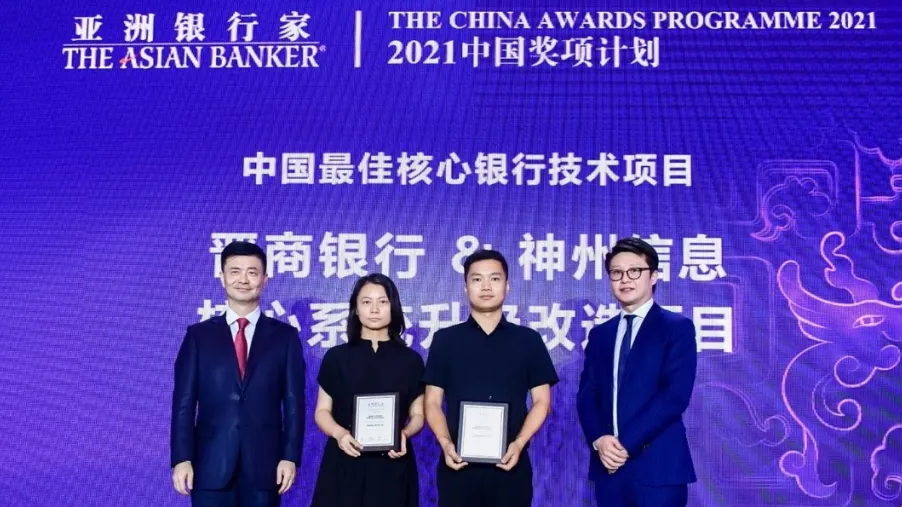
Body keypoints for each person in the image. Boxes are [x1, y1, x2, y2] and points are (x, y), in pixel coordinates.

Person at [170, 241, 305, 507]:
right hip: (209, 464)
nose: (243, 279)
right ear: (222, 278)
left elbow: (294, 404)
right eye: (235, 271)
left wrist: (290, 457)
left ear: (264, 279)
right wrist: (181, 458)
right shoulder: (198, 336)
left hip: (265, 466)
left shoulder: (285, 337)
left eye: (252, 272)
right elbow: (183, 403)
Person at [423, 249, 559, 507]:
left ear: (507, 286)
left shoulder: (528, 340)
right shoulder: (445, 340)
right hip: (457, 466)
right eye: (477, 279)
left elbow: (542, 402)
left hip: (511, 465)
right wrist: (445, 443)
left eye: (494, 278)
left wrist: (519, 443)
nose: (486, 286)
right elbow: (431, 401)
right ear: (465, 287)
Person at [576, 237, 697, 507]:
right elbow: (587, 395)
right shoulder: (601, 334)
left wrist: (623, 445)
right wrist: (599, 440)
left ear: (653, 276)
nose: (625, 279)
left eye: (634, 271)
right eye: (616, 273)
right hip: (609, 469)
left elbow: (674, 396)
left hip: (658, 468)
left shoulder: (676, 328)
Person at [310, 273, 425, 507]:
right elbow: (322, 411)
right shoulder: (336, 357)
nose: (374, 310)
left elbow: (418, 414)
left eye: (382, 302)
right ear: (355, 308)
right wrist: (339, 434)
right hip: (344, 459)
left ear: (394, 307)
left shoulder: (411, 360)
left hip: (392, 462)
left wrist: (404, 434)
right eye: (366, 302)